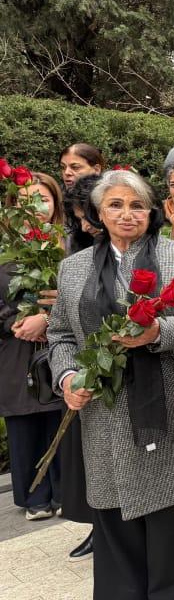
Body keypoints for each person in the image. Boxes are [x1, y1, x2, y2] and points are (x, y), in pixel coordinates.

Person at [47, 169, 174, 599]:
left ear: (151, 210)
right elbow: (61, 334)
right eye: (115, 205)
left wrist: (158, 332)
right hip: (103, 416)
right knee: (117, 529)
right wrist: (68, 378)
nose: (127, 214)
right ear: (98, 213)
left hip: (168, 414)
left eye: (137, 205)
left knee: (173, 522)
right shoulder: (74, 268)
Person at [2, 172, 65, 520]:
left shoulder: (68, 245)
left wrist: (49, 318)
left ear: (55, 204)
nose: (35, 207)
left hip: (59, 346)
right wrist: (16, 321)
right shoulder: (5, 248)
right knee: (25, 423)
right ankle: (34, 495)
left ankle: (65, 490)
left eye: (43, 199)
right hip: (15, 347)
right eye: (25, 200)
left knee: (60, 415)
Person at [56, 173, 102, 560]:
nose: (85, 226)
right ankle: (97, 525)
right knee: (86, 456)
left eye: (88, 217)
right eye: (78, 218)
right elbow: (62, 323)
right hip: (84, 365)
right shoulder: (77, 252)